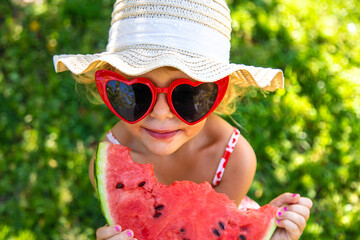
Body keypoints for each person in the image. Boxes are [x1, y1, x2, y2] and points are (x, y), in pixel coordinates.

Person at [53, 0, 313, 239]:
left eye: (187, 95)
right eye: (136, 93)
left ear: (219, 97)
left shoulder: (235, 159)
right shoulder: (107, 163)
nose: (161, 112)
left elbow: (214, 229)